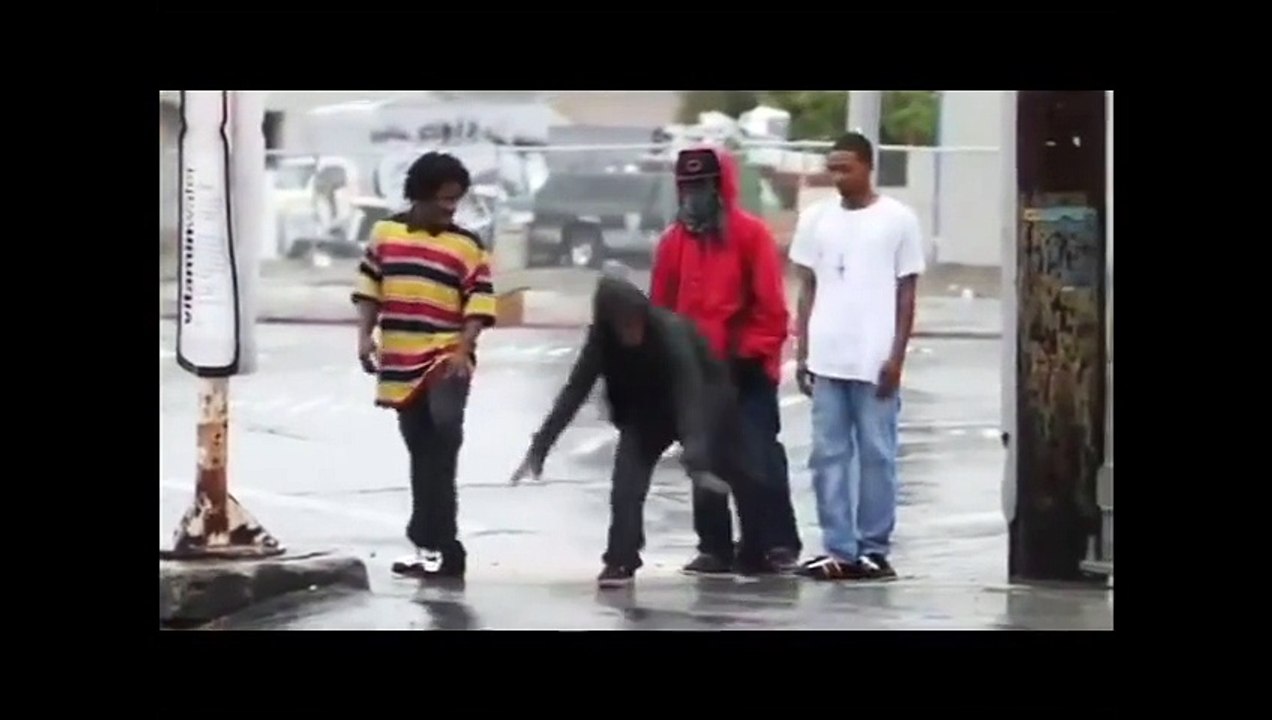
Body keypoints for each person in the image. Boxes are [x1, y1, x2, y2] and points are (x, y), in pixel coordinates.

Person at [508, 276, 766, 588]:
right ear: (610, 324)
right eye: (624, 326)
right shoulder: (601, 341)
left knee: (721, 474)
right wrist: (539, 448)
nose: (632, 333)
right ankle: (620, 559)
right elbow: (574, 391)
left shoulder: (669, 331)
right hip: (644, 413)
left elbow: (689, 392)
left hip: (703, 396)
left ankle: (738, 548)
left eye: (636, 323)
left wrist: (695, 455)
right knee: (626, 485)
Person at [649, 145, 800, 576]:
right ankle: (714, 547)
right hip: (695, 373)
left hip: (747, 369)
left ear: (721, 186)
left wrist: (747, 355)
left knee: (758, 456)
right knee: (705, 459)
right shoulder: (673, 243)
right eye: (687, 186)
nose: (693, 195)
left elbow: (771, 309)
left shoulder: (751, 236)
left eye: (702, 185)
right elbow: (661, 309)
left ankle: (771, 545)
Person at [351, 151, 497, 581]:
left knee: (443, 439)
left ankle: (445, 544)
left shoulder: (467, 245)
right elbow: (369, 288)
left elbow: (480, 300)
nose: (451, 208)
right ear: (419, 194)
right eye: (444, 199)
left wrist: (463, 348)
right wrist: (364, 336)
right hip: (400, 356)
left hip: (446, 356)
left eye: (456, 199)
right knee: (421, 449)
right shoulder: (385, 234)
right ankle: (429, 544)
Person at [788, 132, 926, 581]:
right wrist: (803, 352)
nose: (838, 177)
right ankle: (839, 548)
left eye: (846, 168)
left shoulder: (898, 219)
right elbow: (807, 286)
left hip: (874, 358)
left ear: (868, 166)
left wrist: (896, 357)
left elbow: (907, 293)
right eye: (833, 168)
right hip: (827, 356)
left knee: (877, 454)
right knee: (827, 455)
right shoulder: (816, 219)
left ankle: (873, 549)